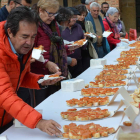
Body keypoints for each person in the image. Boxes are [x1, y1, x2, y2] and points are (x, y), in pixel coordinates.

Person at [0, 6, 63, 136]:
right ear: (10, 32)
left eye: (33, 36)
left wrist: (41, 80)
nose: (29, 43)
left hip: (6, 117)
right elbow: (4, 94)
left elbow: (19, 77)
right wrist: (38, 122)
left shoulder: (20, 46)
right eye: (24, 36)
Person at [31, 0, 72, 105]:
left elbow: (57, 45)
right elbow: (31, 52)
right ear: (41, 10)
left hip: (54, 73)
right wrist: (46, 63)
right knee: (43, 104)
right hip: (39, 75)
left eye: (55, 14)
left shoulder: (54, 25)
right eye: (50, 14)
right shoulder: (33, 26)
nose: (53, 17)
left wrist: (67, 49)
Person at [61, 7, 87, 78]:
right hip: (66, 62)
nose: (74, 19)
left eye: (75, 17)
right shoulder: (61, 28)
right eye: (72, 17)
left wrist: (84, 42)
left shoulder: (78, 26)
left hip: (78, 61)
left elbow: (83, 41)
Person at [76, 4, 98, 71]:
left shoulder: (88, 23)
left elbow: (94, 38)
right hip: (77, 51)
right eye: (80, 15)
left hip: (87, 50)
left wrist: (91, 36)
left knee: (88, 68)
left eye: (84, 15)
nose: (82, 17)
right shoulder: (74, 24)